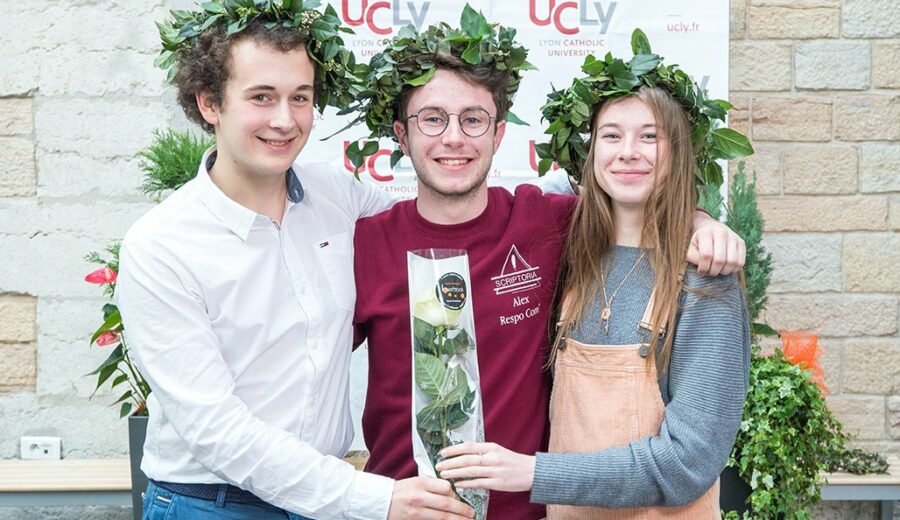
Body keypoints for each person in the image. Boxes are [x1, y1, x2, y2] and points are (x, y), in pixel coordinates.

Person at [350, 16, 747, 520]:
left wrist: (701, 221)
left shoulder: (545, 225)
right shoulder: (361, 242)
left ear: (498, 135)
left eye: (472, 119)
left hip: (529, 509)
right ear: (401, 135)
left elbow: (638, 200)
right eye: (433, 119)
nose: (454, 138)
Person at [115, 4, 475, 519]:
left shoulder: (339, 197)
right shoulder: (160, 246)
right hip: (213, 505)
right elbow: (217, 430)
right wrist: (374, 499)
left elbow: (434, 222)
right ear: (209, 102)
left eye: (300, 98)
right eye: (262, 97)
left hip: (322, 498)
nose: (284, 120)